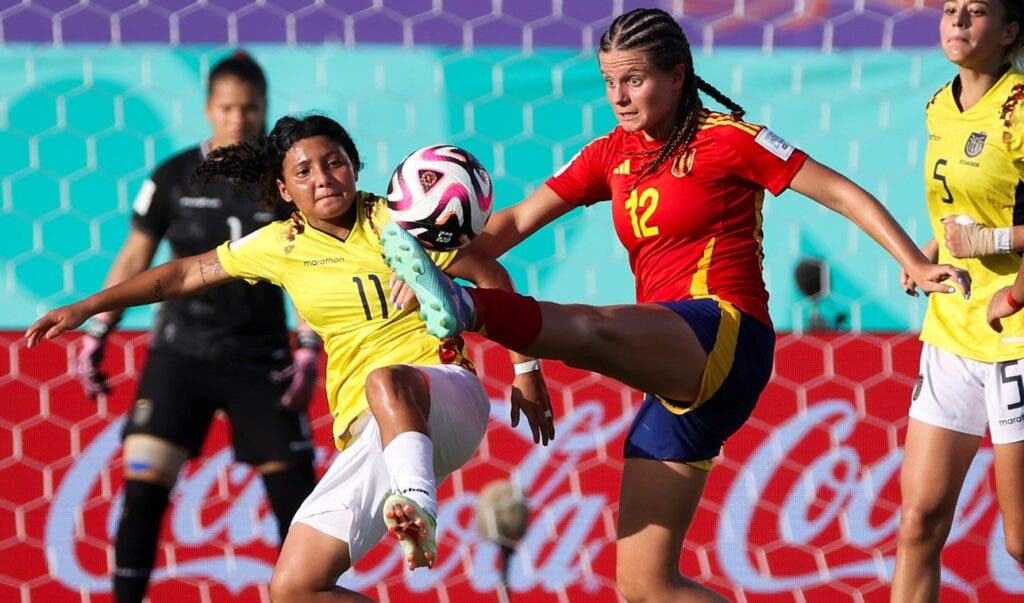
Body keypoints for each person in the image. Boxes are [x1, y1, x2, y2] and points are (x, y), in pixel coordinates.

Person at [380, 7, 971, 602]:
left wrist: (914, 261)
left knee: (591, 328)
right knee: (644, 584)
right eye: (609, 81)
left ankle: (469, 309)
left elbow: (840, 191)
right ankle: (459, 299)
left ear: (678, 74)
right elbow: (511, 222)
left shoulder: (729, 140)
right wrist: (437, 261)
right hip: (673, 364)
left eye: (634, 79)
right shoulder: (609, 153)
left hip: (725, 328)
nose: (619, 95)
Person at [26, 113, 553, 602]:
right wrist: (89, 305)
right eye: (304, 171)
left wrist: (526, 371)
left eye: (334, 162)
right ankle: (409, 496)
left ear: (355, 167)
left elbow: (489, 274)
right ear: (283, 189)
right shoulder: (279, 244)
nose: (323, 178)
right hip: (370, 432)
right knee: (295, 589)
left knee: (388, 380)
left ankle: (416, 504)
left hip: (444, 395)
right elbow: (181, 274)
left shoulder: (399, 219)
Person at [70, 51, 320, 603]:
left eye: (250, 109)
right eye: (228, 108)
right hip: (181, 353)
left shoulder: (283, 183)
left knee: (298, 506)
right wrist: (98, 329)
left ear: (264, 109)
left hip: (259, 359)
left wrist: (307, 345)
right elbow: (136, 256)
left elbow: (309, 264)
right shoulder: (174, 175)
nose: (238, 120)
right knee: (142, 492)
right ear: (209, 108)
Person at [892, 2, 1024, 601]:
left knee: (1021, 540)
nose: (958, 21)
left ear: (1011, 31)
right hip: (951, 328)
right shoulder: (939, 106)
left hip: (1016, 332)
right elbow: (964, 207)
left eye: (976, 11)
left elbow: (994, 226)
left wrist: (998, 255)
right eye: (950, 9)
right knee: (919, 521)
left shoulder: (1020, 106)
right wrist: (926, 252)